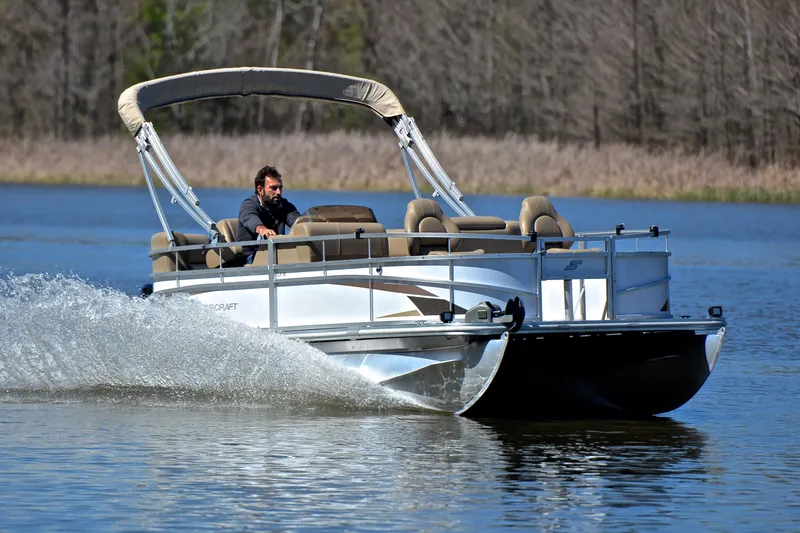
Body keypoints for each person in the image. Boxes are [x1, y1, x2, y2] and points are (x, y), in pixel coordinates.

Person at [236, 165, 301, 263]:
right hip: (249, 258)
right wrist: (262, 229)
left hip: (275, 253)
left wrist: (305, 225)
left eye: (280, 188)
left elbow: (296, 219)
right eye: (273, 188)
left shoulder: (283, 205)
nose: (278, 192)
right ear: (260, 190)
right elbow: (250, 218)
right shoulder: (249, 205)